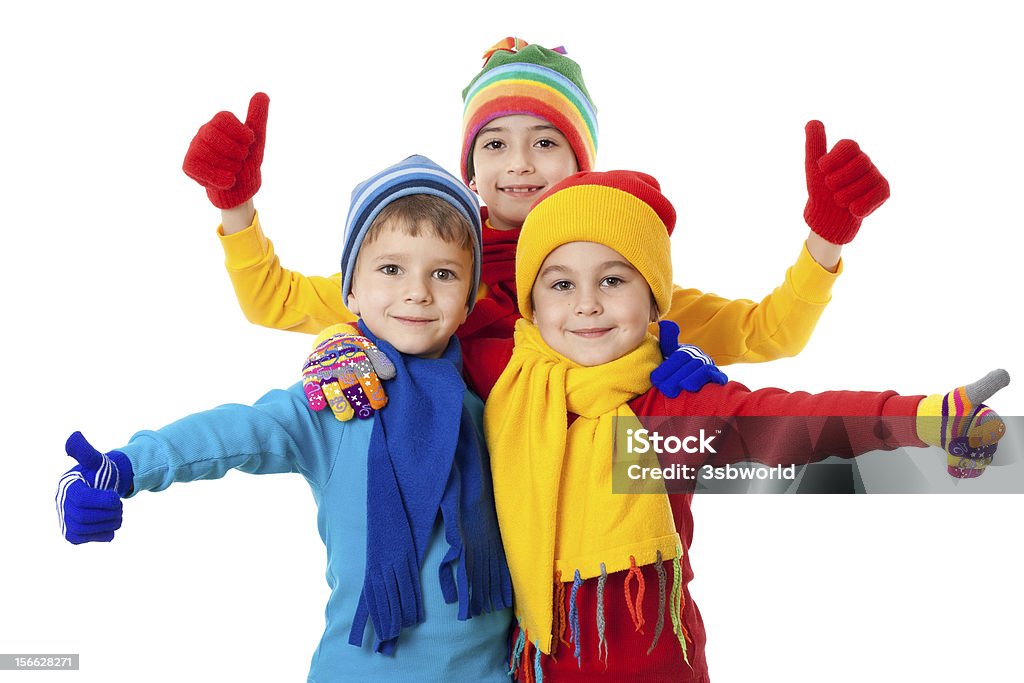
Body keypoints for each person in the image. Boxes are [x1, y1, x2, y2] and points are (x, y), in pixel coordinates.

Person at [474, 170, 1007, 681]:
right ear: (532, 306)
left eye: (613, 280)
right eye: (561, 284)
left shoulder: (672, 407)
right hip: (536, 666)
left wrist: (924, 417)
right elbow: (414, 344)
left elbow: (795, 420)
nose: (587, 304)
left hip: (659, 669)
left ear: (656, 301)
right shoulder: (506, 383)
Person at [181, 38, 889, 414]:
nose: (519, 163)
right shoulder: (434, 269)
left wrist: (825, 239)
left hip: (582, 543)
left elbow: (769, 333)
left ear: (581, 158)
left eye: (545, 141)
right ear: (469, 166)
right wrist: (234, 208)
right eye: (494, 142)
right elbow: (273, 300)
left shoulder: (611, 271)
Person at [54, 156, 515, 683]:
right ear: (350, 292)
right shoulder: (336, 398)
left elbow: (607, 445)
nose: (418, 291)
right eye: (391, 269)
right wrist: (125, 467)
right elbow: (232, 432)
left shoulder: (498, 397)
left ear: (468, 303)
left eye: (444, 273)